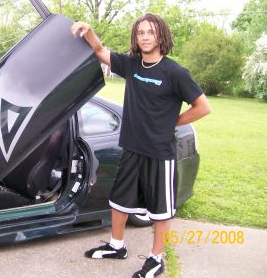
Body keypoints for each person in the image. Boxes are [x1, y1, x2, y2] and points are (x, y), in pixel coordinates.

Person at [71, 14, 210, 278]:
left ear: (161, 37)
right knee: (119, 201)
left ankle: (157, 259)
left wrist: (172, 123)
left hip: (159, 153)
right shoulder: (131, 65)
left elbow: (203, 107)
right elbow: (100, 51)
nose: (145, 37)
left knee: (160, 209)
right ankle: (117, 245)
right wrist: (88, 31)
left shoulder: (175, 72)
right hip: (132, 148)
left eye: (150, 32)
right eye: (140, 32)